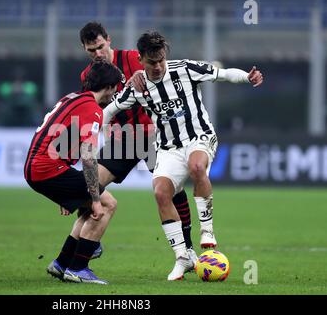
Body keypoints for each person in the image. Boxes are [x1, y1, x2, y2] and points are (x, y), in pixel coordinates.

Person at [103, 31, 263, 280]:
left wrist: (247, 77)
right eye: (151, 62)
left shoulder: (185, 69)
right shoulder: (137, 87)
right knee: (160, 192)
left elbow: (222, 74)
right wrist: (95, 133)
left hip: (199, 137)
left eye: (161, 60)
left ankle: (207, 232)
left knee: (197, 167)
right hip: (168, 148)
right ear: (141, 60)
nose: (157, 66)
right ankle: (183, 257)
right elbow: (108, 110)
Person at [78, 22, 197, 260]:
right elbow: (97, 107)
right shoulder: (88, 76)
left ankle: (188, 247)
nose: (98, 53)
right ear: (84, 49)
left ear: (108, 40)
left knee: (173, 191)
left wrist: (142, 75)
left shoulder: (135, 58)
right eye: (91, 50)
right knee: (89, 186)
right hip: (123, 140)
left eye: (100, 47)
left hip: (154, 136)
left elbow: (164, 78)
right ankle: (89, 242)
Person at [25, 61, 122, 284]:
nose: (115, 92)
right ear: (108, 86)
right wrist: (95, 199)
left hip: (39, 167)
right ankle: (78, 268)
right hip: (47, 169)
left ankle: (61, 263)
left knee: (89, 206)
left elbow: (62, 142)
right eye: (115, 87)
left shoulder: (72, 98)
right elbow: (88, 158)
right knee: (107, 204)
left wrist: (66, 189)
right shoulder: (93, 110)